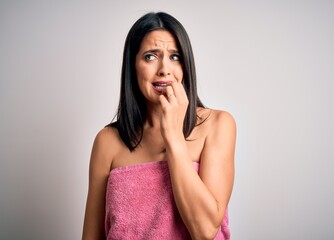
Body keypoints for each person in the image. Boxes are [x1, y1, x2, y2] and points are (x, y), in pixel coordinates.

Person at [82, 12, 236, 240]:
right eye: (150, 57)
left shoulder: (217, 125)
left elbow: (204, 231)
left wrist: (173, 135)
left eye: (175, 57)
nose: (165, 68)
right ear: (133, 66)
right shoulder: (107, 141)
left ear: (185, 67)